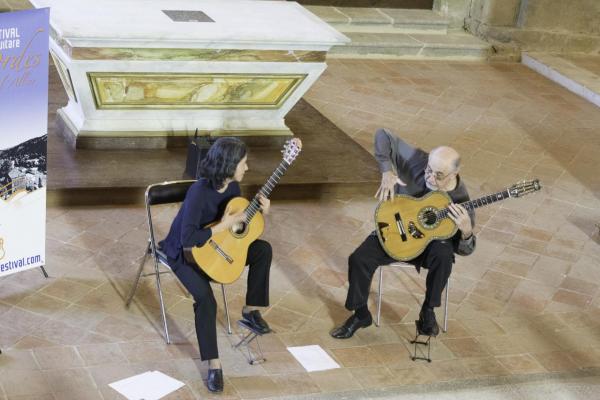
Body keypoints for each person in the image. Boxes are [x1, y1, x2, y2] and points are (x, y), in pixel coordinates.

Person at [331, 128, 476, 339]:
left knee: (444, 255)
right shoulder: (417, 160)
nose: (431, 178)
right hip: (396, 233)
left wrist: (467, 232)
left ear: (454, 175)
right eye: (429, 170)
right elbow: (383, 135)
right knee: (359, 259)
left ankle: (428, 311)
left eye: (439, 175)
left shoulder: (461, 199)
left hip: (427, 248)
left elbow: (467, 249)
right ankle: (361, 314)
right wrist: (386, 170)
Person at [160, 137, 272, 393]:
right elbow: (188, 237)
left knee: (262, 249)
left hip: (215, 251)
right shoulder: (198, 192)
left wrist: (262, 212)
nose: (247, 167)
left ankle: (250, 310)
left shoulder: (232, 188)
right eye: (243, 163)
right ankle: (214, 365)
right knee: (207, 302)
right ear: (230, 164)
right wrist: (225, 225)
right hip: (184, 254)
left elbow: (238, 225)